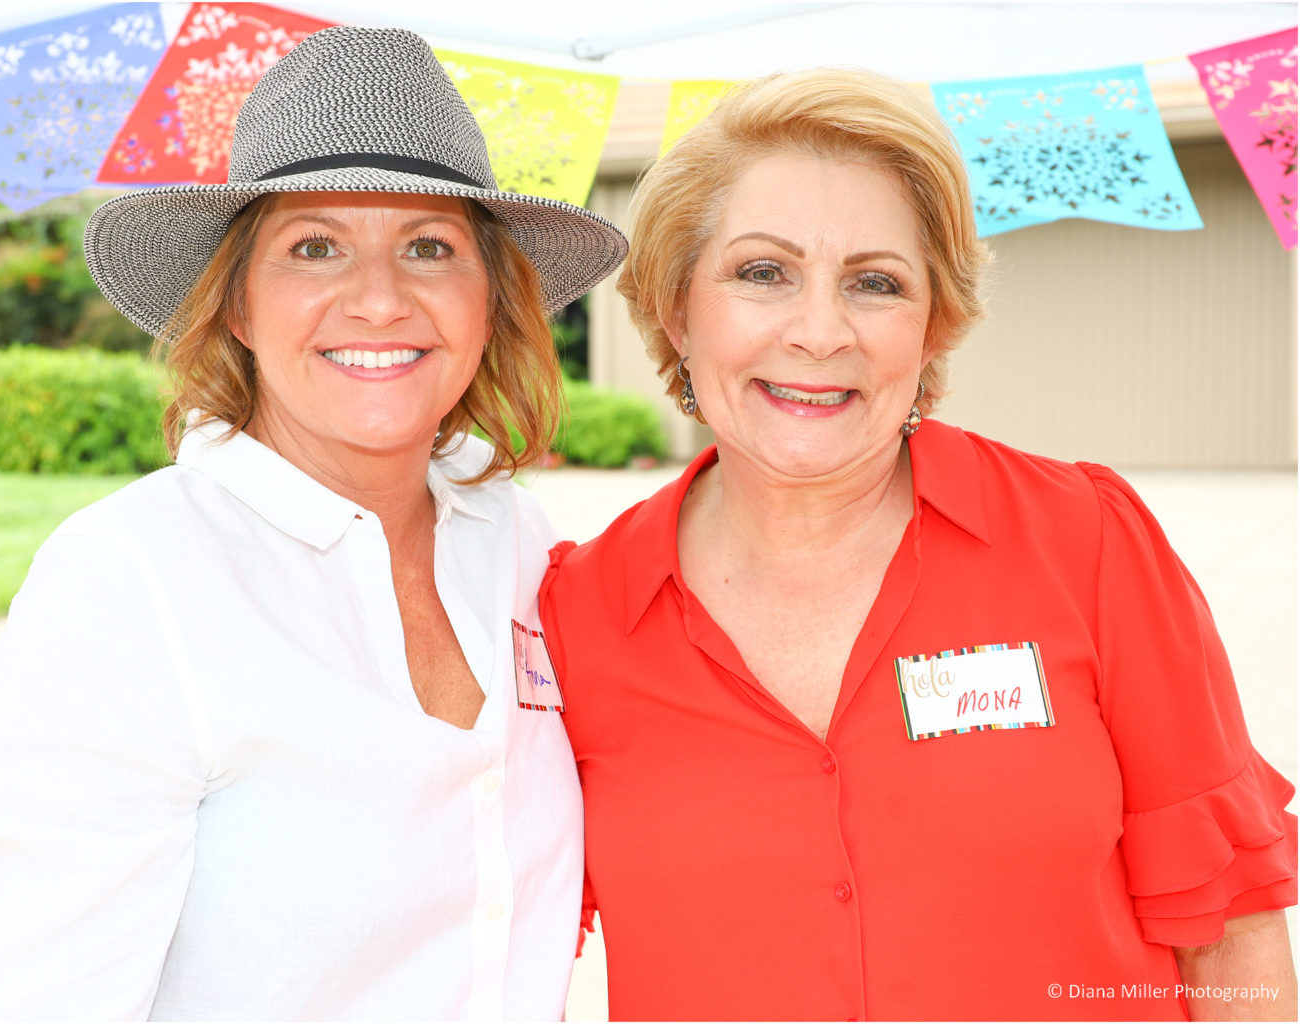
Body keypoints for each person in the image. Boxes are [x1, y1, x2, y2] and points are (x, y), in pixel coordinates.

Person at [539, 68, 1297, 1022]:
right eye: (763, 272)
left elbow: (1231, 934)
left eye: (876, 283)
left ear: (933, 327)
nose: (820, 332)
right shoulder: (576, 615)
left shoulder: (1085, 542)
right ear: (675, 307)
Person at [0, 26, 626, 1020]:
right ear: (240, 307)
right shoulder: (132, 581)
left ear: (489, 302)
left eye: (430, 247)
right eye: (314, 247)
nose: (379, 299)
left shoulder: (512, 538)